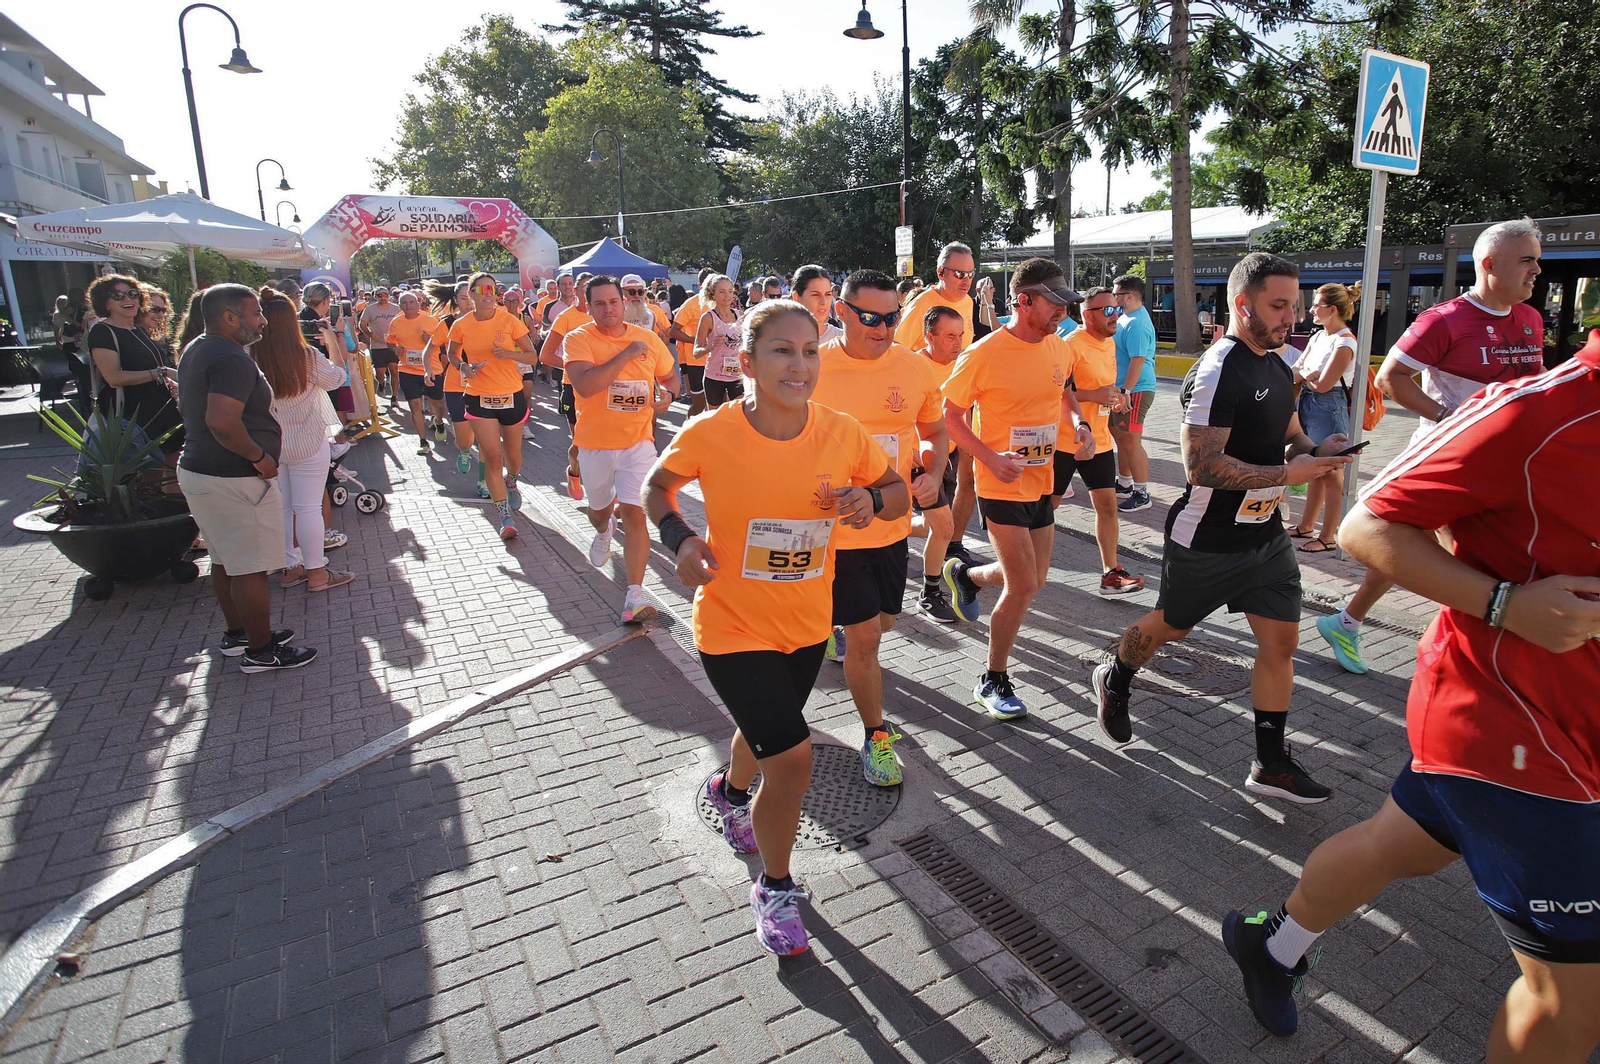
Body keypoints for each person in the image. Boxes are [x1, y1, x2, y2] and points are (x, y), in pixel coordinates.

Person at [1225, 329, 1600, 1058]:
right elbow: (1369, 523)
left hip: (1564, 724)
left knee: (1399, 847)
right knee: (1575, 995)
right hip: (1517, 730)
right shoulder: (1541, 410)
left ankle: (1271, 948)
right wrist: (1505, 605)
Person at [644, 299, 908, 955]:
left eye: (811, 350)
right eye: (783, 351)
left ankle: (729, 791)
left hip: (806, 624)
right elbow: (657, 486)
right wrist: (679, 538)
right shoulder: (712, 431)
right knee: (791, 763)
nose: (800, 365)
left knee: (765, 736)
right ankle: (777, 887)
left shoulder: (842, 432)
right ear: (747, 361)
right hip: (732, 625)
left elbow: (901, 491)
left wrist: (868, 499)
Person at [1090, 253, 1351, 801]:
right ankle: (1114, 676)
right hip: (1205, 537)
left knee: (1280, 641)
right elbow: (1201, 467)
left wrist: (1317, 450)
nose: (1290, 317)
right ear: (1242, 305)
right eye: (1278, 306)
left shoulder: (1281, 365)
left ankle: (1270, 762)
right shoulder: (1216, 369)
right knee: (1172, 627)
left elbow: (1291, 433)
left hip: (1265, 536)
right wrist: (1288, 471)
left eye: (1295, 306)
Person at [1317, 218, 1546, 674]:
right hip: (1449, 461)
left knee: (1430, 553)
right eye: (1527, 260)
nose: (1537, 270)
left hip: (1507, 465)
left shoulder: (1531, 319)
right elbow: (1389, 379)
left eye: (1538, 260)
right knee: (1459, 561)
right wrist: (1451, 420)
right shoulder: (1444, 320)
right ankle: (1459, 661)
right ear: (1488, 264)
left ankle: (1348, 621)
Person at [939, 258, 1096, 720]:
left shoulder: (1058, 348)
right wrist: (989, 459)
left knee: (1034, 578)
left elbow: (1064, 391)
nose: (1062, 314)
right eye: (1054, 304)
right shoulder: (982, 353)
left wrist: (1080, 423)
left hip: (1042, 479)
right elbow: (951, 417)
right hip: (1000, 482)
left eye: (1066, 304)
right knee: (1024, 583)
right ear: (1022, 300)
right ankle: (993, 678)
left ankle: (966, 577)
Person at [811, 270, 946, 786]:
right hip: (836, 533)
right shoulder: (814, 366)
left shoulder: (914, 369)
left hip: (892, 526)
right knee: (864, 638)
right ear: (841, 312)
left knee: (885, 622)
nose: (883, 327)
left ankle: (833, 627)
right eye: (869, 317)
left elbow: (933, 430)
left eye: (891, 317)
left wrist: (932, 471)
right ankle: (876, 735)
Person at [175, 285, 316, 672]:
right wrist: (259, 457)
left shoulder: (198, 347)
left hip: (203, 471)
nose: (263, 321)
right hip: (233, 476)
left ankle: (240, 634)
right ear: (230, 317)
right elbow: (221, 421)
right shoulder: (230, 358)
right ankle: (260, 650)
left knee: (226, 559)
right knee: (249, 567)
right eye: (256, 314)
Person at [563, 275, 679, 622]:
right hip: (595, 445)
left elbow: (671, 377)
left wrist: (668, 397)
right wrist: (626, 355)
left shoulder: (647, 338)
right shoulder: (578, 339)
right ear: (589, 307)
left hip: (638, 443)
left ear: (623, 302)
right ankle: (602, 530)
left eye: (614, 301)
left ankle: (634, 595)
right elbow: (585, 386)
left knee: (635, 513)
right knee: (600, 511)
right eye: (599, 303)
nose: (609, 309)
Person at [250, 288, 353, 593]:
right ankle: (317, 573)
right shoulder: (305, 356)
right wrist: (333, 338)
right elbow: (337, 377)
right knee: (307, 508)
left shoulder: (249, 356)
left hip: (270, 444)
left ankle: (290, 568)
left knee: (282, 507)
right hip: (308, 441)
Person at [1052, 288, 1146, 595]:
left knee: (1107, 507)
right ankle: (1020, 567)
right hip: (1065, 442)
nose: (1115, 315)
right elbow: (1054, 394)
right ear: (1086, 315)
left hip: (1100, 441)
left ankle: (1111, 573)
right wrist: (1095, 395)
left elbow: (1103, 390)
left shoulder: (1108, 343)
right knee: (1045, 510)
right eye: (1106, 311)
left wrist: (1115, 399)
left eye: (1116, 308)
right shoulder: (1071, 346)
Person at [897, 243, 980, 559]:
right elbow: (896, 355)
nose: (966, 280)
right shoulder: (922, 305)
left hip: (958, 413)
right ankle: (901, 537)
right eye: (959, 273)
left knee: (965, 482)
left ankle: (951, 543)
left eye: (970, 273)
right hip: (925, 424)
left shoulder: (969, 303)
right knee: (930, 498)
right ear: (940, 273)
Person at [447, 273, 539, 540]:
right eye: (482, 289)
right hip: (478, 395)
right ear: (472, 293)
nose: (488, 293)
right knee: (492, 456)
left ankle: (513, 481)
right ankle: (504, 516)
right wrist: (463, 366)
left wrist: (509, 354)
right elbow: (453, 354)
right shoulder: (461, 325)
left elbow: (532, 356)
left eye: (492, 288)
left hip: (510, 394)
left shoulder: (509, 320)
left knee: (513, 456)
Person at [1287, 281, 1361, 553]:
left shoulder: (1345, 342)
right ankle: (1307, 525)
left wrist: (1306, 375)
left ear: (1331, 309)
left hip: (1329, 407)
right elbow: (1295, 370)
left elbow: (1326, 384)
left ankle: (1328, 536)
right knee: (1313, 467)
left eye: (1316, 304)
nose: (1311, 309)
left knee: (1330, 473)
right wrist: (1307, 375)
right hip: (1310, 404)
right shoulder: (1318, 337)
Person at [84, 275, 183, 469]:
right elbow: (113, 378)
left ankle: (171, 500)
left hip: (160, 407)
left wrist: (165, 378)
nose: (128, 299)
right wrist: (159, 373)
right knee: (148, 473)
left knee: (173, 467)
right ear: (105, 302)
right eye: (118, 295)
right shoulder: (103, 331)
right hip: (132, 413)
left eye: (132, 294)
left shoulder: (138, 330)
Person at [909, 304, 964, 622]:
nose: (957, 342)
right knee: (944, 527)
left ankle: (892, 528)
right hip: (920, 460)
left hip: (949, 456)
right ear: (929, 336)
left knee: (934, 527)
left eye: (960, 335)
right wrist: (911, 447)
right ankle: (929, 594)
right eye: (949, 336)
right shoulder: (913, 366)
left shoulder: (962, 364)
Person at [540, 280, 595, 501]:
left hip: (601, 385)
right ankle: (574, 470)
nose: (588, 293)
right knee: (581, 441)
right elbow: (546, 355)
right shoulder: (566, 317)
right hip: (572, 385)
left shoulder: (604, 317)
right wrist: (575, 365)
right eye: (584, 288)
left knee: (602, 440)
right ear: (576, 291)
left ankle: (603, 493)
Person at [425, 280, 481, 489]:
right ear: (456, 301)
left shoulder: (491, 320)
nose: (469, 303)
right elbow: (430, 349)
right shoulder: (447, 323)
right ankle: (465, 451)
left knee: (486, 439)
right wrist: (429, 369)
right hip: (456, 385)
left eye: (471, 297)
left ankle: (484, 481)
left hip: (485, 385)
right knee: (465, 439)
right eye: (464, 298)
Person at [1110, 274, 1159, 513]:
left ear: (1128, 296)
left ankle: (1141, 492)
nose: (1113, 297)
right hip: (1125, 389)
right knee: (1121, 436)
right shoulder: (1126, 317)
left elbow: (1137, 360)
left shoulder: (1137, 323)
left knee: (1131, 441)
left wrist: (1125, 391)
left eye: (1116, 294)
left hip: (1136, 389)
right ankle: (1125, 483)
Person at [385, 292, 444, 456]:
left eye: (412, 302)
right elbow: (390, 341)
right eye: (404, 303)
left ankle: (439, 421)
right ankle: (423, 441)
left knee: (437, 403)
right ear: (399, 305)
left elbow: (443, 343)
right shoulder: (396, 322)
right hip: (407, 369)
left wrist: (430, 339)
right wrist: (394, 349)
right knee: (415, 406)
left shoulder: (431, 321)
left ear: (418, 304)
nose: (408, 305)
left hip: (431, 369)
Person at [669, 267, 717, 417]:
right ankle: (687, 431)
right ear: (700, 285)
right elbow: (673, 331)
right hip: (697, 363)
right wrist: (696, 340)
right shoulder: (691, 304)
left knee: (719, 403)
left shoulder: (721, 302)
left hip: (718, 360)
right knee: (699, 404)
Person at [696, 274, 744, 407]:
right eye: (722, 292)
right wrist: (710, 347)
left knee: (738, 413)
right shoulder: (708, 318)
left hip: (737, 375)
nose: (727, 295)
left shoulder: (740, 315)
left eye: (730, 291)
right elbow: (696, 352)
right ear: (713, 295)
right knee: (714, 416)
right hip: (715, 376)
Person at [358, 287, 402, 402]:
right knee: (379, 373)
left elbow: (404, 322)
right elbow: (362, 324)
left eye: (385, 295)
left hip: (393, 344)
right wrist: (370, 334)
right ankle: (381, 383)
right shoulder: (370, 309)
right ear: (375, 297)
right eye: (380, 296)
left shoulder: (396, 309)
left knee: (394, 370)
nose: (383, 298)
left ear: (388, 296)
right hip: (378, 346)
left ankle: (394, 397)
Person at [791, 264, 843, 344]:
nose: (824, 301)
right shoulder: (780, 340)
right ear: (796, 297)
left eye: (828, 294)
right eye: (816, 295)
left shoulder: (843, 340)